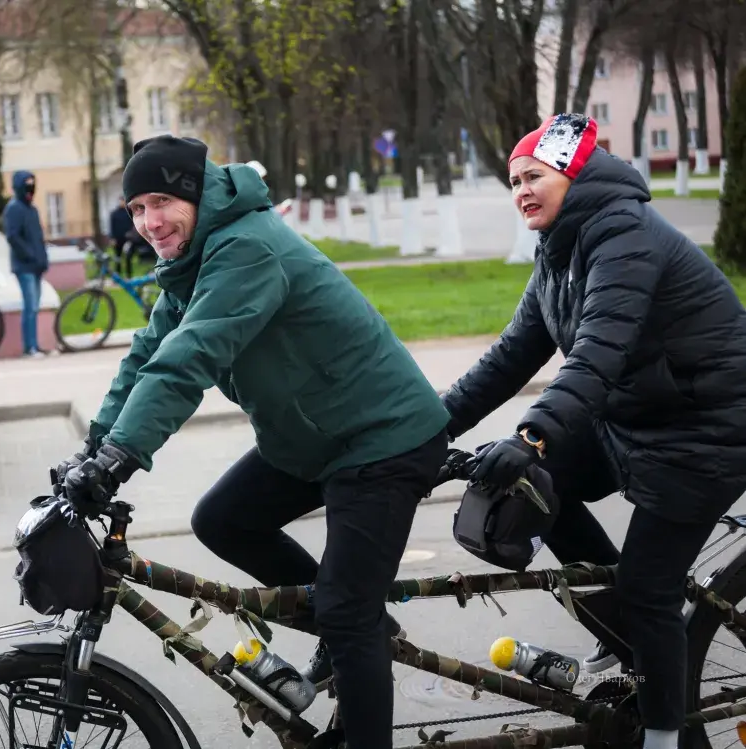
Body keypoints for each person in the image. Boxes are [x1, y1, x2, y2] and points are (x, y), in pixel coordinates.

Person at [52, 135, 450, 749]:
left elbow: (192, 355)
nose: (149, 221)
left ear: (194, 194)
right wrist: (93, 450)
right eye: (135, 208)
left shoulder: (246, 247)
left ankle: (354, 636)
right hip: (315, 436)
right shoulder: (194, 256)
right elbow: (149, 354)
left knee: (347, 613)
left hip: (381, 438)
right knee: (223, 520)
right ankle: (359, 626)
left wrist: (120, 458)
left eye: (160, 201)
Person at [440, 113, 746, 749]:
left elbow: (599, 353)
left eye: (533, 176)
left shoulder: (624, 235)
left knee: (648, 588)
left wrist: (530, 435)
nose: (520, 190)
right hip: (637, 420)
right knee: (530, 490)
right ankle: (628, 637)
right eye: (513, 180)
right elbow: (510, 356)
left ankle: (664, 736)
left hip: (708, 431)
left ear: (574, 176)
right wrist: (425, 430)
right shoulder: (558, 249)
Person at [2, 171, 50, 358]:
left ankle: (35, 345)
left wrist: (42, 258)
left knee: (35, 307)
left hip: (36, 265)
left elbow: (38, 238)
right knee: (30, 306)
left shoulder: (32, 209)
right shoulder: (14, 208)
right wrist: (30, 256)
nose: (30, 188)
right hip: (24, 266)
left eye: (32, 183)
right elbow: (13, 237)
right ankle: (29, 347)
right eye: (26, 184)